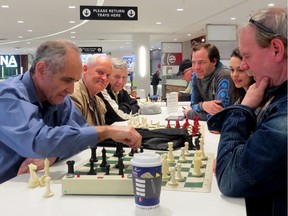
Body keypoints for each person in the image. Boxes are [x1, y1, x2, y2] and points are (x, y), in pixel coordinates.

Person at [0, 39, 141, 184]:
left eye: (74, 81)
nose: (71, 90)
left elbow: (79, 135)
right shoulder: (8, 96)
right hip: (7, 188)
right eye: (67, 80)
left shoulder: (58, 96)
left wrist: (53, 154)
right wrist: (106, 131)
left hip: (40, 183)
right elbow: (37, 142)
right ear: (42, 70)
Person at [207, 7, 287, 216]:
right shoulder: (272, 92)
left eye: (247, 55)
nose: (244, 65)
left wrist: (241, 110)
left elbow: (228, 176)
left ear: (277, 49)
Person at [182, 43, 234, 121]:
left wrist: (189, 113)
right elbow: (193, 105)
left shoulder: (224, 75)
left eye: (201, 62)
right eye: (193, 62)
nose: (196, 68)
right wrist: (203, 106)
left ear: (214, 61)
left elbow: (219, 115)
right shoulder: (196, 76)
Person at [70, 54, 112, 126]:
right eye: (100, 72)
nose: (104, 78)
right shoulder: (73, 95)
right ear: (85, 69)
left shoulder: (99, 103)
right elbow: (76, 134)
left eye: (108, 75)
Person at [98, 58, 140, 125]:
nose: (120, 82)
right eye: (117, 77)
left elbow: (135, 104)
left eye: (124, 77)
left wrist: (123, 106)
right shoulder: (102, 90)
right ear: (107, 76)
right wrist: (126, 106)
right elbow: (119, 116)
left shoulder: (120, 90)